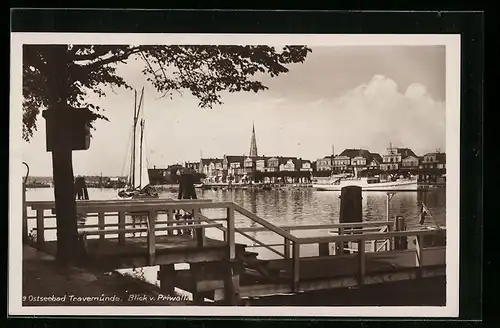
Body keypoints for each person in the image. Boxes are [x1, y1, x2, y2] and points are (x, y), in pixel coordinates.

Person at [176, 168, 198, 236]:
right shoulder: (190, 181)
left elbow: (180, 193)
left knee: (184, 216)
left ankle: (185, 230)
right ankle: (189, 230)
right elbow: (193, 194)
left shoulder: (182, 181)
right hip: (189, 200)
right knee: (190, 215)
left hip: (184, 199)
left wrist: (177, 208)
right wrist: (196, 203)